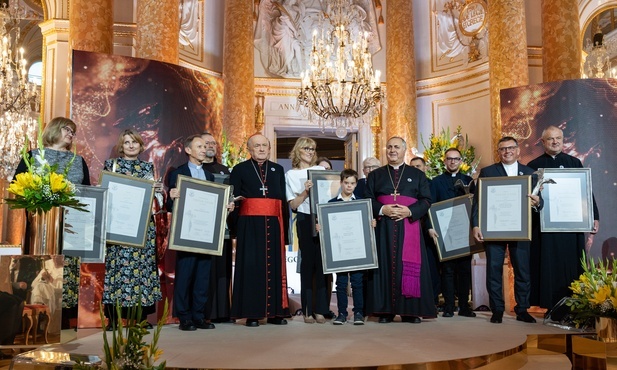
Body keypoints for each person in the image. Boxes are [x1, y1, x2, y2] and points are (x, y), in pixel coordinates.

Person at [13, 116, 89, 327]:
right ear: (54, 129)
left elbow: (87, 192)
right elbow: (16, 185)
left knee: (67, 273)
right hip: (41, 228)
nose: (71, 134)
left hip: (71, 227)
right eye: (67, 129)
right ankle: (35, 322)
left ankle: (63, 322)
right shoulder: (33, 155)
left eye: (73, 132)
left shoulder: (78, 160)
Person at [527, 125, 600, 310]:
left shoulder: (574, 162)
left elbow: (586, 192)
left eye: (558, 138)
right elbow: (529, 199)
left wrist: (594, 217)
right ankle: (550, 306)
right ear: (543, 142)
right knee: (548, 266)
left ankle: (575, 306)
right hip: (544, 229)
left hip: (571, 227)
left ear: (563, 140)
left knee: (572, 265)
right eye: (551, 139)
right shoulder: (533, 166)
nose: (555, 142)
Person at [365, 136, 435, 323]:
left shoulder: (418, 175)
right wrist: (382, 209)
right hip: (384, 227)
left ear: (404, 151)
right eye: (389, 147)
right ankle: (385, 311)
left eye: (396, 147)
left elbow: (427, 200)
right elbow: (367, 200)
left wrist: (409, 211)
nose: (392, 150)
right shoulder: (375, 175)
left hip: (409, 225)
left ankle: (409, 310)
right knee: (385, 266)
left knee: (407, 267)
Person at [471, 136, 541, 324]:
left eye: (510, 148)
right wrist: (476, 225)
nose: (507, 151)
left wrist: (538, 202)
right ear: (498, 152)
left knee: (522, 271)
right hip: (494, 228)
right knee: (493, 270)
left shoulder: (530, 173)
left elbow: (539, 203)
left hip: (521, 229)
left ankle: (522, 309)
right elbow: (478, 201)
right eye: (502, 149)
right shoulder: (487, 172)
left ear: (518, 151)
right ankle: (497, 309)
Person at [102, 129, 163, 330]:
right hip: (119, 226)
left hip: (143, 227)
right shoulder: (112, 165)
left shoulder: (147, 167)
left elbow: (155, 199)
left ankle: (141, 318)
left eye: (134, 142)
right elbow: (105, 194)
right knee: (117, 271)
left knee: (142, 272)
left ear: (140, 145)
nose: (130, 145)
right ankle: (113, 318)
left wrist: (157, 192)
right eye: (126, 142)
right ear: (121, 145)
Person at [229, 134, 290, 327]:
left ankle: (275, 313)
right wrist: (235, 228)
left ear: (269, 148)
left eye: (265, 145)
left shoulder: (278, 169)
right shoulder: (239, 169)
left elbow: (282, 202)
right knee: (251, 267)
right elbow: (233, 199)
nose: (262, 149)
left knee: (275, 266)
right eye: (257, 146)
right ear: (249, 149)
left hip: (274, 224)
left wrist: (286, 231)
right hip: (249, 226)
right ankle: (252, 314)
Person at [167, 135, 216, 331]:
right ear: (188, 150)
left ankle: (199, 315)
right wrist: (171, 196)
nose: (204, 149)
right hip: (186, 230)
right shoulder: (178, 173)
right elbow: (171, 204)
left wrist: (225, 207)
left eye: (205, 146)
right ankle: (184, 316)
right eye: (199, 146)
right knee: (185, 274)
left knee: (203, 275)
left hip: (205, 232)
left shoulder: (210, 176)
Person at [285, 137, 331, 323]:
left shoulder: (320, 170)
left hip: (323, 217)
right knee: (307, 264)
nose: (310, 151)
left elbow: (332, 194)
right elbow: (294, 205)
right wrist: (305, 192)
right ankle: (307, 310)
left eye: (312, 149)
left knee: (322, 265)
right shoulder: (290, 175)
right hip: (304, 219)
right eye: (306, 148)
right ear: (298, 150)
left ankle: (320, 309)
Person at [429, 148, 476, 318]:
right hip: (445, 232)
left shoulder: (469, 181)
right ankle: (448, 306)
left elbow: (475, 205)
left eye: (456, 159)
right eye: (449, 159)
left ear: (461, 161)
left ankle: (464, 306)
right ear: (444, 161)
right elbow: (431, 206)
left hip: (464, 233)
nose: (453, 162)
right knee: (447, 271)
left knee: (464, 270)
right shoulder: (435, 182)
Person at [327, 169, 374, 325]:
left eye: (352, 183)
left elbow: (366, 225)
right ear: (341, 183)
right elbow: (328, 228)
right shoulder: (331, 203)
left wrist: (371, 224)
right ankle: (341, 313)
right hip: (340, 251)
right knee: (340, 283)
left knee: (357, 282)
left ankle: (358, 312)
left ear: (356, 184)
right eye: (346, 183)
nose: (349, 186)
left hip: (356, 249)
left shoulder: (362, 203)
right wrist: (322, 227)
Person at [200, 132, 233, 324]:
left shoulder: (224, 169)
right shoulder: (195, 170)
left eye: (213, 142)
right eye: (206, 143)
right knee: (206, 271)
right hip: (201, 228)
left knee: (223, 270)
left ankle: (223, 312)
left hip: (223, 228)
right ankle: (205, 313)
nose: (210, 146)